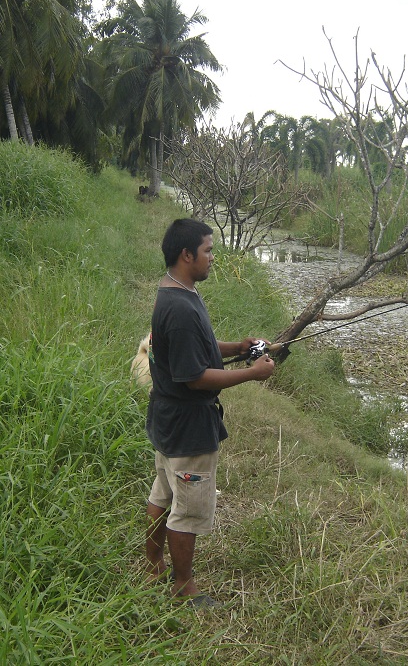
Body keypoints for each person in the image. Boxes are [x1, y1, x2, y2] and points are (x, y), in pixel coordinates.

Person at [144, 218, 275, 607]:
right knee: (187, 509)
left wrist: (236, 347)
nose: (212, 258)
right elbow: (195, 377)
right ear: (187, 255)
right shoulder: (180, 308)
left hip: (168, 421)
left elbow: (195, 349)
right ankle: (184, 587)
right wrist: (251, 373)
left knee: (163, 493)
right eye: (208, 250)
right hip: (187, 428)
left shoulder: (176, 292)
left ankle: (153, 562)